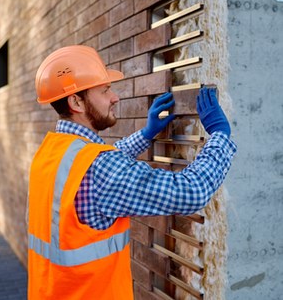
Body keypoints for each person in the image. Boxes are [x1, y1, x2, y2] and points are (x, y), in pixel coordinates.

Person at [27, 45, 237, 300]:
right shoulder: (100, 168)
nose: (115, 97)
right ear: (76, 102)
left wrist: (146, 134)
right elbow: (190, 193)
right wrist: (220, 137)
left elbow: (100, 164)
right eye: (105, 90)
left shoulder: (50, 153)